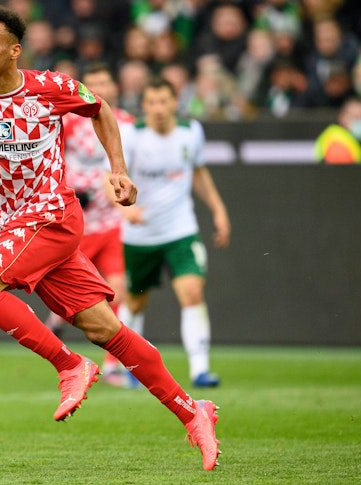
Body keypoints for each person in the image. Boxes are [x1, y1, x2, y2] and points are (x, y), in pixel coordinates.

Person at [0, 5, 221, 471]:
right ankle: (191, 411)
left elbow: (101, 108)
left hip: (53, 213)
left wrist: (118, 169)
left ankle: (68, 365)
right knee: (104, 328)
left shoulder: (49, 87)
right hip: (17, 225)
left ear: (15, 50)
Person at [118, 77, 231, 389]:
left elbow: (198, 172)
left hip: (180, 230)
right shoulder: (130, 136)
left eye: (163, 101)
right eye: (151, 102)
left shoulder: (191, 132)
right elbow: (110, 177)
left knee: (193, 292)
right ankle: (132, 365)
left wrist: (218, 210)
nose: (157, 108)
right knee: (136, 303)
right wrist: (125, 209)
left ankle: (200, 369)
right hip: (140, 237)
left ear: (174, 102)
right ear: (143, 106)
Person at [44, 62, 133, 387]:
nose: (100, 89)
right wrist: (75, 187)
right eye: (92, 83)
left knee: (118, 289)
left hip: (111, 224)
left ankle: (112, 364)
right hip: (77, 223)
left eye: (104, 82)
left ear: (114, 87)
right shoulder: (67, 122)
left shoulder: (126, 125)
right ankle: (56, 332)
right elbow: (54, 162)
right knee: (72, 298)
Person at [314, 97, 361, 164]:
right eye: (356, 117)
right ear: (342, 117)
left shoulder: (355, 141)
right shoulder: (337, 144)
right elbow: (340, 173)